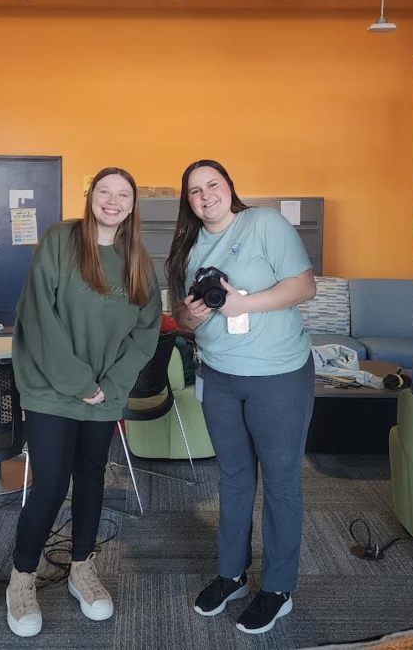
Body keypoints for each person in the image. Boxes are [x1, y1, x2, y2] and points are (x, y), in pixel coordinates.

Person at [6, 167, 162, 638]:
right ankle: (22, 576)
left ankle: (81, 568)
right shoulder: (60, 240)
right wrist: (79, 382)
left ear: (133, 205)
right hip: (52, 387)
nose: (113, 201)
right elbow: (39, 317)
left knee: (92, 476)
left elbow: (146, 329)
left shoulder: (137, 258)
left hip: (104, 392)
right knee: (51, 483)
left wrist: (111, 384)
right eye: (105, 192)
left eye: (124, 195)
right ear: (91, 195)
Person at [165, 159, 317, 635]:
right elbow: (186, 324)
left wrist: (240, 302)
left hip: (278, 375)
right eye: (195, 191)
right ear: (187, 202)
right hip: (220, 376)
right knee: (232, 478)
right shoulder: (188, 248)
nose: (206, 195)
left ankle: (277, 587)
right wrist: (193, 315)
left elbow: (304, 286)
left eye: (213, 184)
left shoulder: (264, 224)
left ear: (230, 187)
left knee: (280, 480)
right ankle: (231, 574)